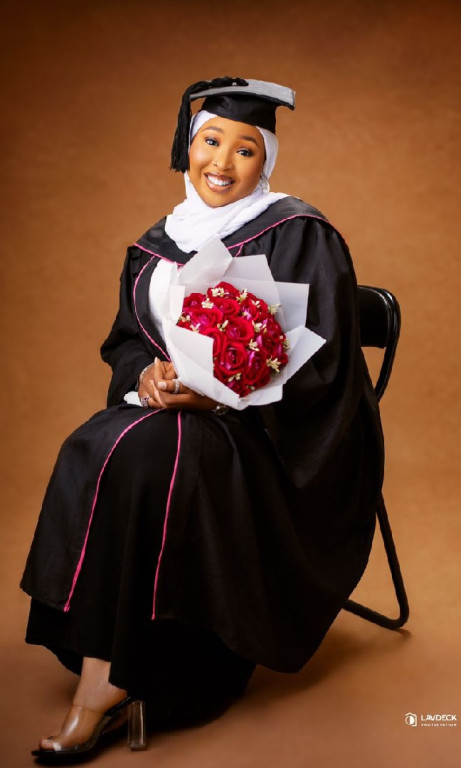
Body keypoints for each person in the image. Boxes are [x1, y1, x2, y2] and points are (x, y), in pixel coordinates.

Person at [21, 76, 384, 762]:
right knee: (95, 442)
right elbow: (129, 339)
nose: (222, 161)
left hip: (267, 438)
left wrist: (224, 396)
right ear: (187, 149)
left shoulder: (298, 233)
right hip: (167, 421)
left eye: (245, 148)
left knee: (148, 454)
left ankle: (120, 684)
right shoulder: (159, 240)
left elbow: (328, 365)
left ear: (266, 160)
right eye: (209, 141)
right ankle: (108, 662)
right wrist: (146, 375)